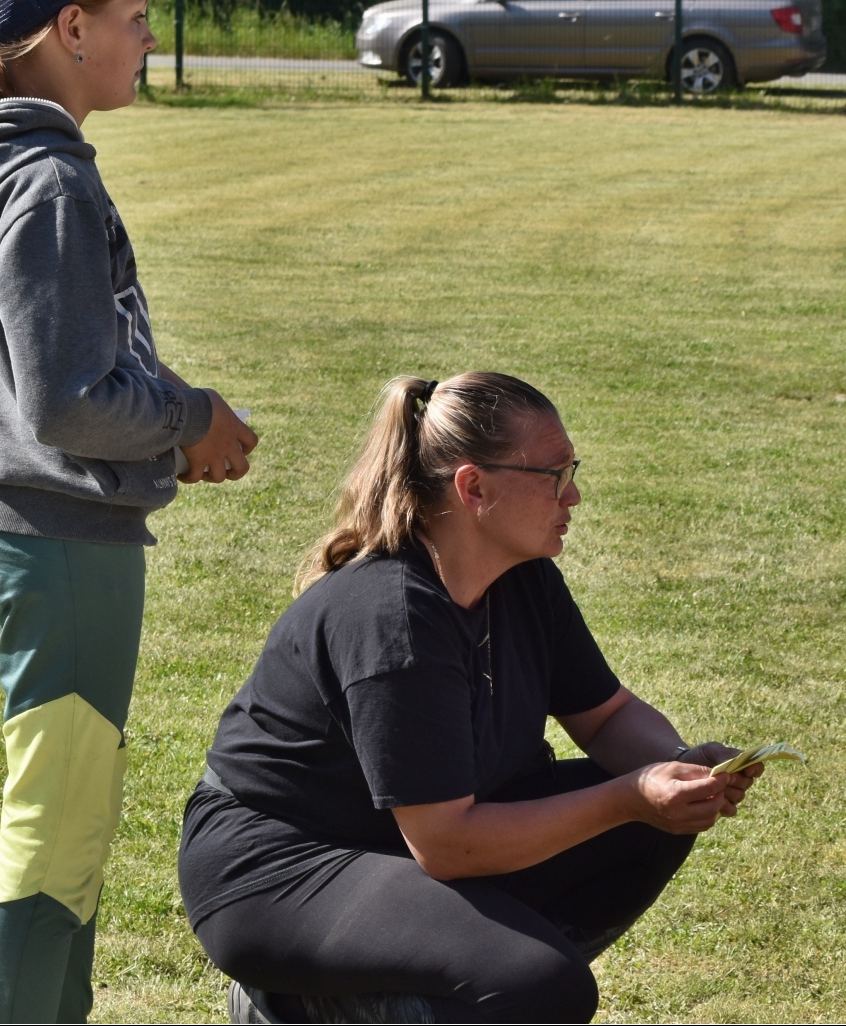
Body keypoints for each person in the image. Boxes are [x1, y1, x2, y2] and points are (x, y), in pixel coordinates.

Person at [0, 0, 260, 1023]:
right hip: (57, 544)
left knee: (71, 817)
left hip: (27, 529)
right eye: (136, 13)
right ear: (70, 28)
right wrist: (189, 417)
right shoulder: (48, 178)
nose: (149, 35)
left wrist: (166, 428)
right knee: (55, 829)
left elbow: (61, 373)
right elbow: (62, 401)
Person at [177, 373, 762, 1024]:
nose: (573, 495)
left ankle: (406, 989)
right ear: (474, 487)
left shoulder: (523, 579)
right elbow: (447, 845)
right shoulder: (393, 616)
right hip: (284, 868)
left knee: (644, 834)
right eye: (554, 476)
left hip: (402, 840)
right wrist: (629, 796)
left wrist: (681, 767)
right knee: (542, 983)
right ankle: (304, 1003)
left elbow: (608, 716)